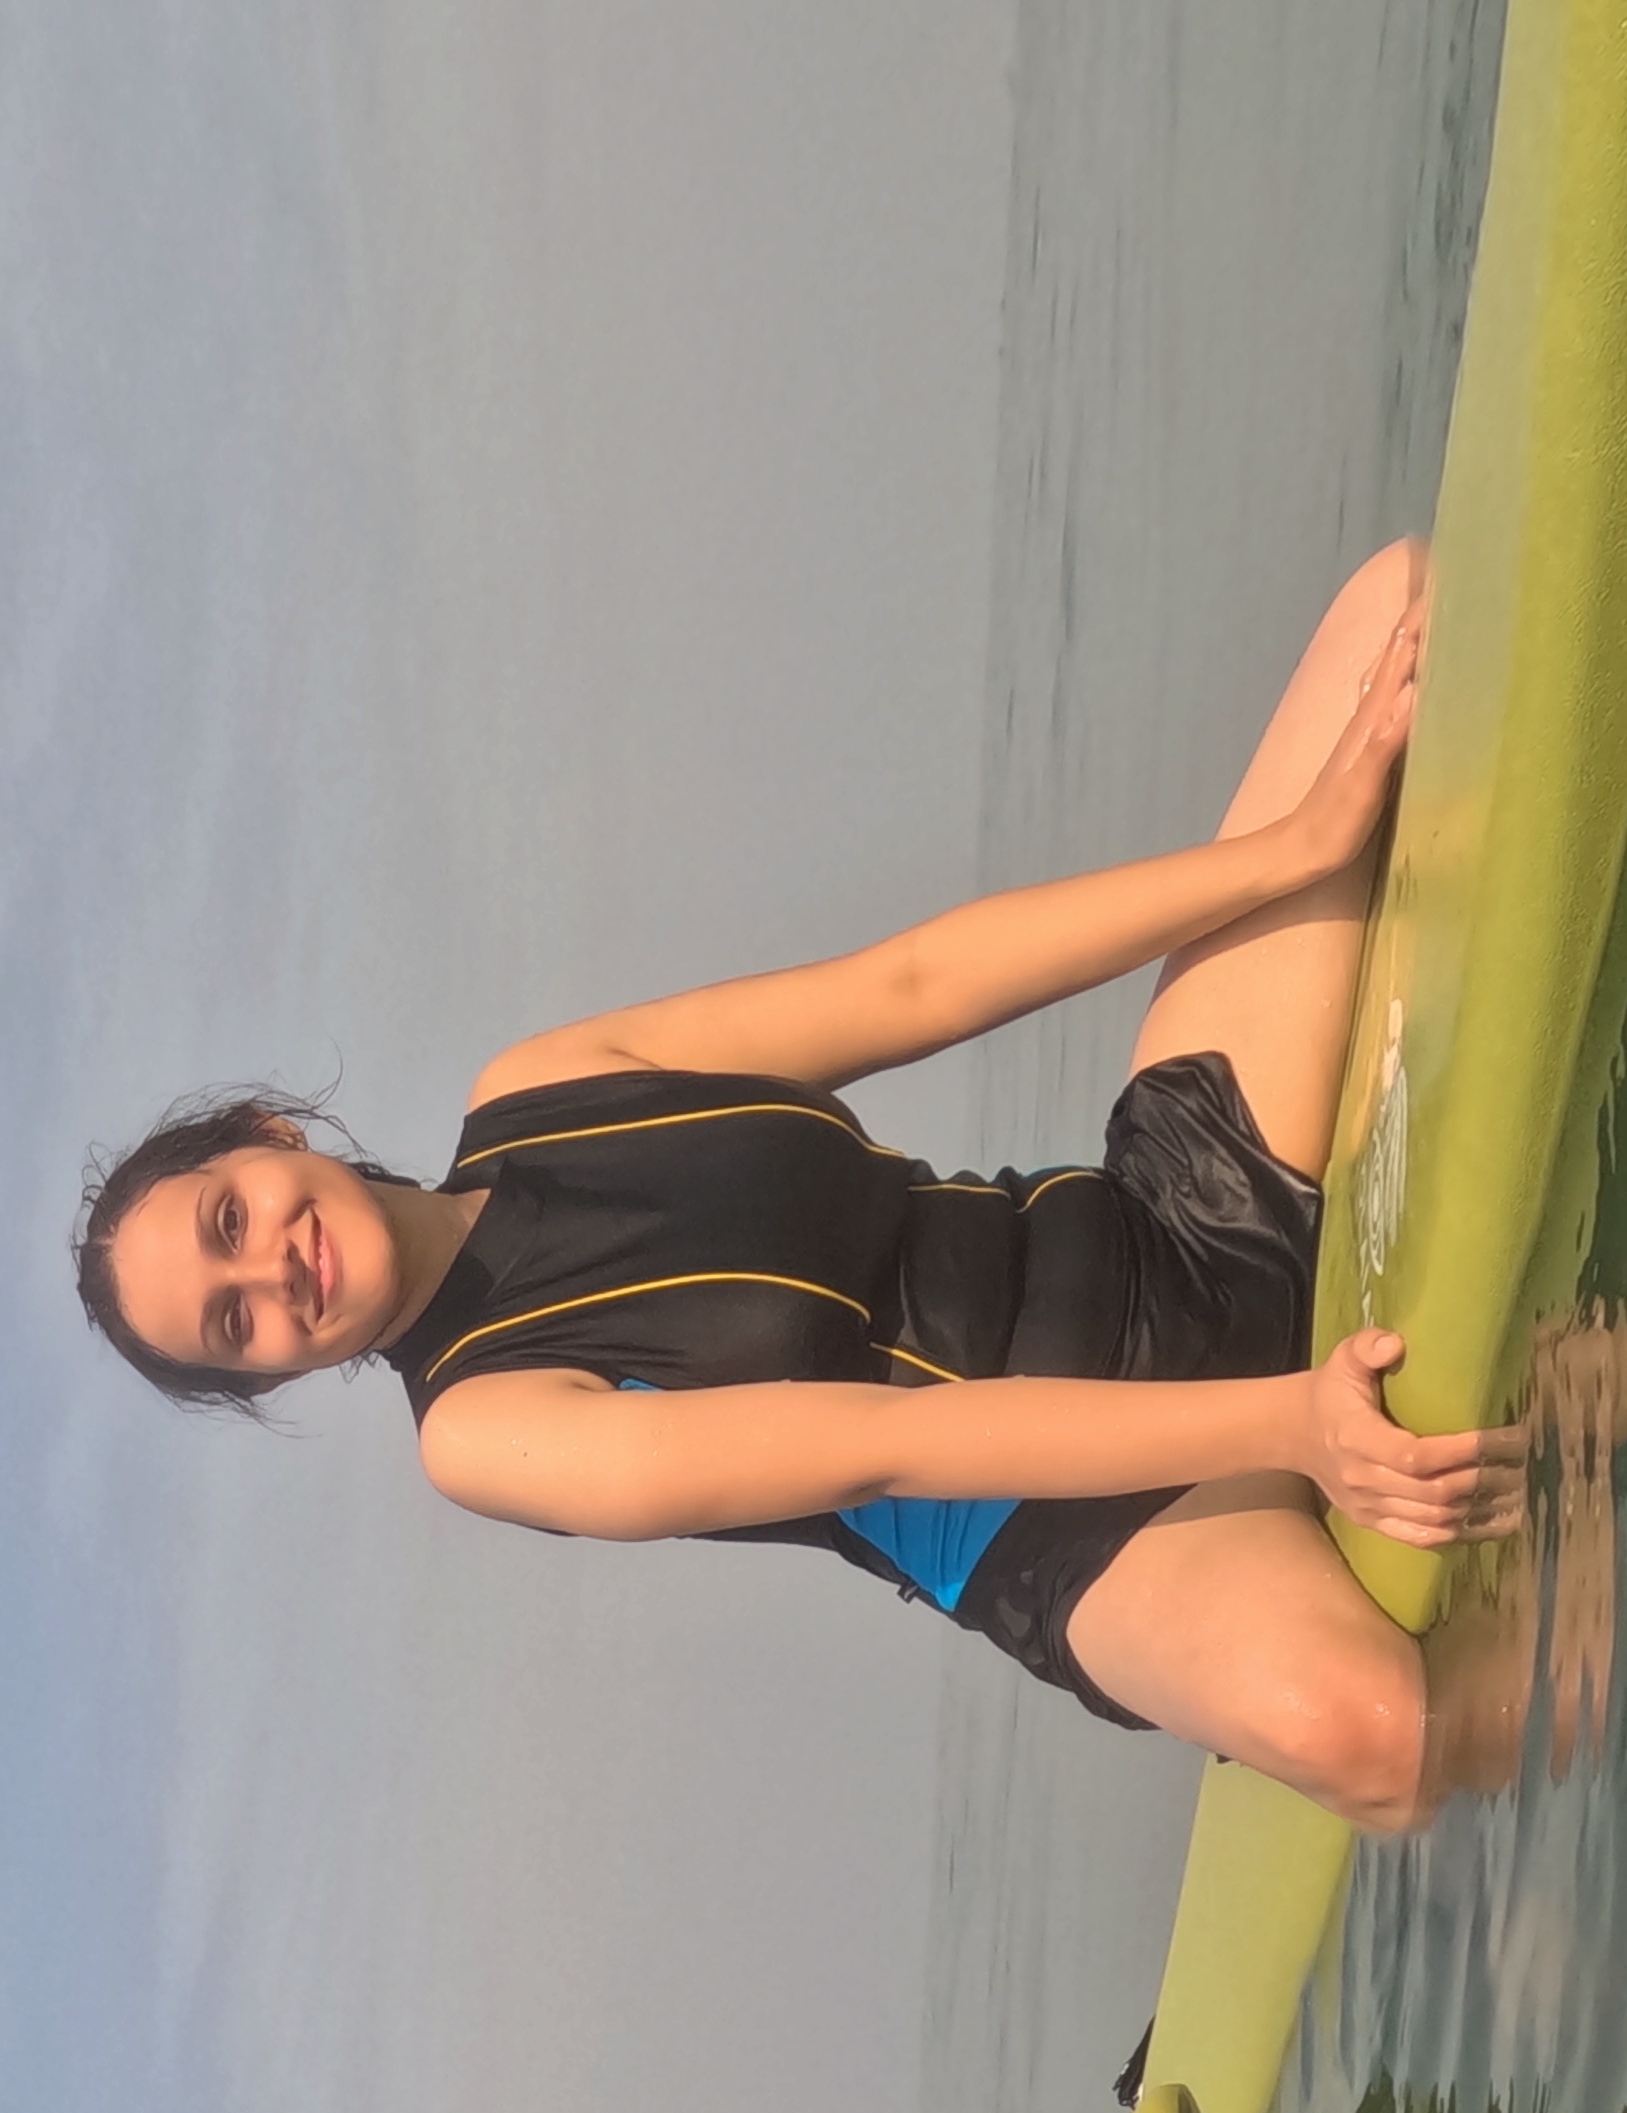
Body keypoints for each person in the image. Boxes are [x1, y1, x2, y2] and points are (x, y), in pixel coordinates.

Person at [74, 546, 1526, 1835]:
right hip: (1076, 1526)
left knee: (1400, 607)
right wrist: (1294, 1425)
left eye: (226, 1223)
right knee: (1377, 1735)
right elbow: (884, 1446)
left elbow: (914, 981)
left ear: (268, 1134)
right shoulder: (481, 1428)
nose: (270, 1275)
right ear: (270, 1374)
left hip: (1163, 1218)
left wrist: (1288, 853)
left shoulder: (540, 1081)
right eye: (235, 1326)